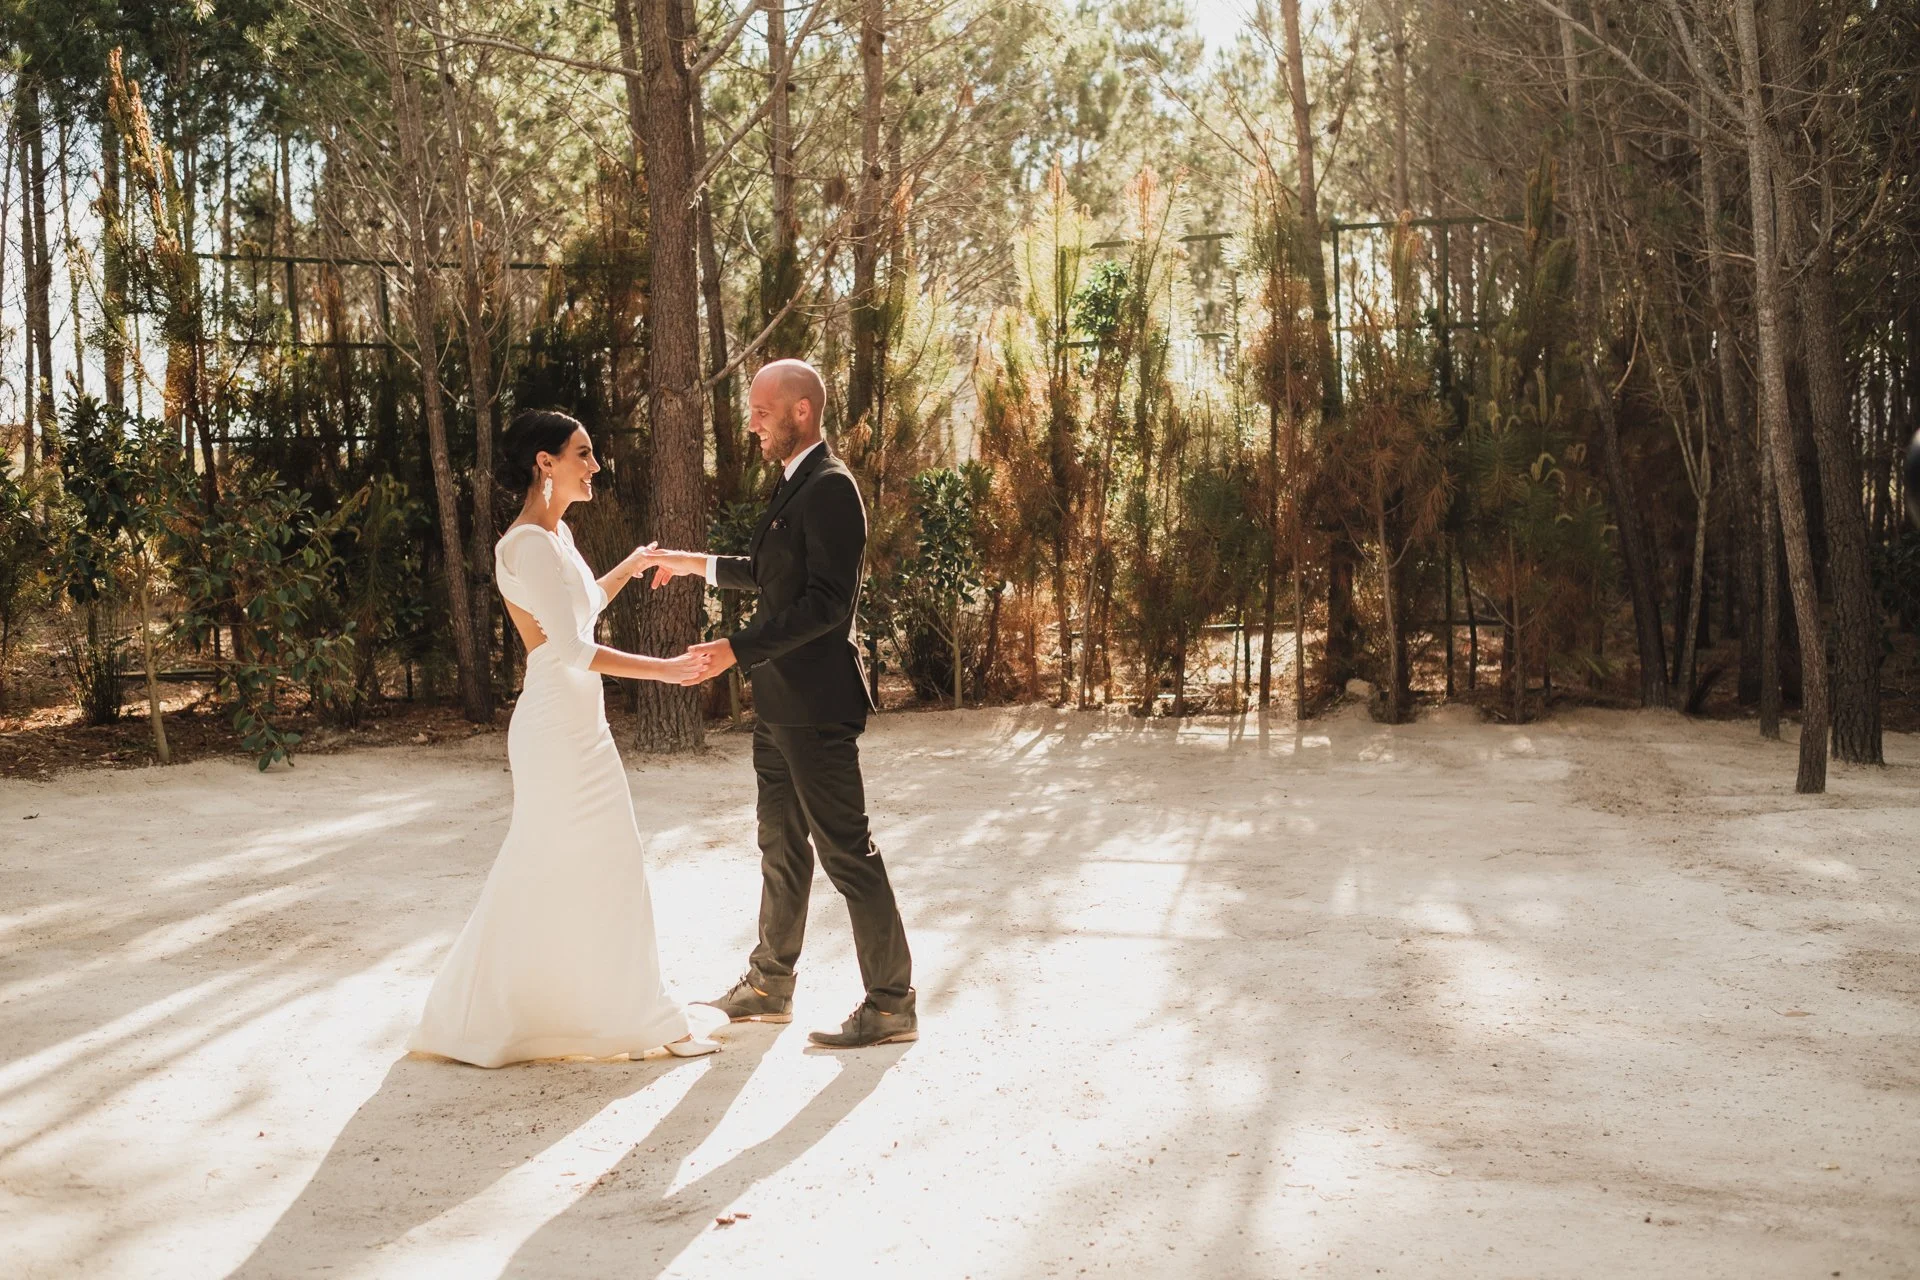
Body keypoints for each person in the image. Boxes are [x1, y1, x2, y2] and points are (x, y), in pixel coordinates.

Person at [410, 410, 721, 1068]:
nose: (595, 465)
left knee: (587, 868)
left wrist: (628, 569)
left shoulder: (559, 537)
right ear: (544, 463)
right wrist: (666, 670)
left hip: (583, 725)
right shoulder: (525, 544)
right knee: (580, 864)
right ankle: (636, 1018)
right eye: (583, 453)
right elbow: (573, 650)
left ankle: (589, 1013)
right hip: (555, 729)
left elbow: (579, 609)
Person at [639, 359, 917, 1049]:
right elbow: (773, 573)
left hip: (816, 705)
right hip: (780, 703)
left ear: (802, 411)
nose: (752, 422)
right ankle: (769, 985)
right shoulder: (796, 481)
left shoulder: (831, 487)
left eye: (762, 410)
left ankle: (891, 1004)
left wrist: (736, 648)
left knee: (846, 851)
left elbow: (827, 605)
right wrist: (692, 563)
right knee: (781, 846)